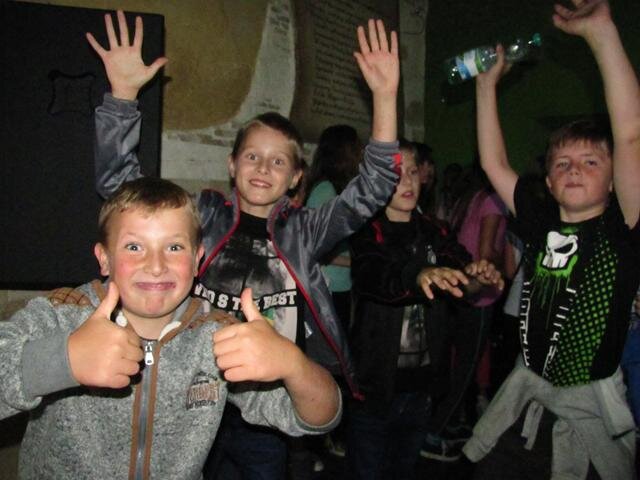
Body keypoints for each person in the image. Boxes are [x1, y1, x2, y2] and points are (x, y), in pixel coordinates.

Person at [87, 10, 400, 479]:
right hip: (194, 391)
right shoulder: (202, 216)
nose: (263, 168)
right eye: (252, 156)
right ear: (232, 164)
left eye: (278, 162)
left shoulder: (307, 230)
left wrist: (385, 96)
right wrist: (123, 97)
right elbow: (121, 189)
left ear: (296, 178)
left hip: (264, 398)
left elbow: (373, 187)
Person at [0, 177, 341, 479]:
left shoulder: (215, 333)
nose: (156, 265)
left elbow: (319, 417)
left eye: (174, 247)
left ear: (196, 260)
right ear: (104, 259)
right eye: (134, 247)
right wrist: (65, 360)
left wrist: (293, 364)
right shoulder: (62, 313)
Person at [465, 1, 640, 478]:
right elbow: (494, 164)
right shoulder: (540, 221)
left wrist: (602, 34)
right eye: (562, 163)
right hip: (527, 396)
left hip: (590, 407)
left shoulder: (621, 228)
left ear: (614, 181)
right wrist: (485, 85)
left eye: (590, 162)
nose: (574, 170)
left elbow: (629, 134)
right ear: (548, 181)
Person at [345, 138, 504, 479]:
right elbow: (374, 275)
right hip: (374, 386)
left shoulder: (435, 230)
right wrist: (417, 275)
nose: (407, 181)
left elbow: (461, 277)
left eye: (413, 171)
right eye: (396, 173)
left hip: (422, 388)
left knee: (404, 468)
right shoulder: (367, 230)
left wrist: (479, 277)